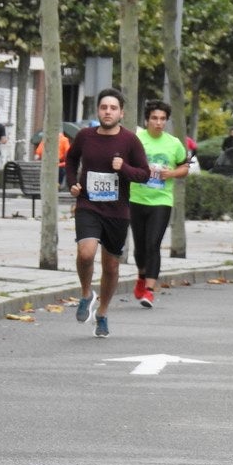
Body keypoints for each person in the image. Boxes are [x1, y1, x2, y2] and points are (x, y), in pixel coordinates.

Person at [65, 88, 151, 337]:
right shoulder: (85, 136)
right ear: (98, 111)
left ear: (121, 113)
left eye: (113, 108)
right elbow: (71, 160)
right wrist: (72, 183)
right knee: (85, 252)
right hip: (88, 205)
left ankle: (102, 312)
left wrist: (123, 167)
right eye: (104, 107)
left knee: (111, 266)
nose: (108, 112)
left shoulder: (130, 141)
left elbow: (144, 174)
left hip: (117, 211)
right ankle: (85, 293)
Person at [129, 100, 190, 308]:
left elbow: (185, 167)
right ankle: (141, 275)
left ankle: (149, 290)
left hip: (162, 200)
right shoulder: (136, 140)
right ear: (147, 120)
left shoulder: (173, 143)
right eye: (154, 118)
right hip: (136, 198)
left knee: (153, 244)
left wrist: (171, 173)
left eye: (162, 119)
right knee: (140, 247)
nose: (158, 122)